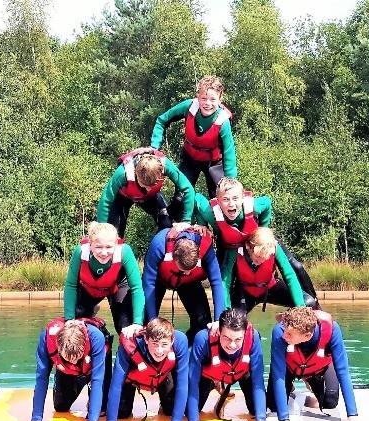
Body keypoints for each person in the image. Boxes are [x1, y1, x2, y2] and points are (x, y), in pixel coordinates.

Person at [195, 177, 318, 307]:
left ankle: (315, 307)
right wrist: (202, 224)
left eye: (235, 199)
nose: (231, 204)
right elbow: (197, 199)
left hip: (259, 239)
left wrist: (263, 229)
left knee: (297, 267)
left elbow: (267, 202)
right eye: (225, 199)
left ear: (242, 198)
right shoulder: (212, 214)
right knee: (224, 281)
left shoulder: (252, 208)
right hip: (231, 244)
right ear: (218, 201)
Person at [151, 75, 237, 219]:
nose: (207, 103)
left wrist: (231, 181)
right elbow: (162, 120)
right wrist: (154, 147)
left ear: (220, 99)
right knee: (180, 198)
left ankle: (221, 236)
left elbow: (229, 152)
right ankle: (172, 230)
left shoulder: (223, 121)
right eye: (203, 98)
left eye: (212, 99)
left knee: (222, 199)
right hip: (190, 158)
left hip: (214, 163)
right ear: (198, 96)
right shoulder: (189, 107)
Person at [268, 307, 362, 421]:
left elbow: (343, 371)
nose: (284, 335)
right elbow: (278, 374)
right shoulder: (280, 332)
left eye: (289, 334)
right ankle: (290, 390)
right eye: (285, 330)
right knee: (273, 406)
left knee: (330, 403)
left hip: (317, 368)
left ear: (307, 335)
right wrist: (284, 420)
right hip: (289, 368)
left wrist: (353, 415)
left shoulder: (332, 331)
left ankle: (309, 386)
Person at [185, 308, 270, 421]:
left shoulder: (253, 337)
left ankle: (221, 386)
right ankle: (215, 384)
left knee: (255, 410)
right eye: (227, 338)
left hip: (241, 373)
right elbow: (192, 382)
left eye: (237, 339)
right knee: (189, 411)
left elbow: (258, 381)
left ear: (244, 334)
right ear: (218, 331)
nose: (232, 345)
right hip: (210, 375)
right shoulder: (202, 338)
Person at [27, 316, 112, 421]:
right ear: (59, 347)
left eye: (76, 358)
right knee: (61, 406)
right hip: (66, 370)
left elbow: (97, 380)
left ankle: (95, 403)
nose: (73, 362)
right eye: (68, 359)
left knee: (103, 410)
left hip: (91, 366)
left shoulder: (96, 338)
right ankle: (75, 381)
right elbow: (41, 379)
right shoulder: (46, 338)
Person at [104, 318, 189, 421]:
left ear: (172, 340)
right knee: (121, 413)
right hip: (133, 380)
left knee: (171, 410)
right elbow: (116, 385)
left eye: (164, 344)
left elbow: (183, 384)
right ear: (146, 339)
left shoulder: (180, 341)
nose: (159, 351)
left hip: (164, 376)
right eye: (154, 344)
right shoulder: (130, 345)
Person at [142, 225, 226, 343]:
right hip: (158, 281)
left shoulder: (206, 248)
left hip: (190, 284)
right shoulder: (159, 244)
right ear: (173, 257)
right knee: (147, 325)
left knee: (203, 324)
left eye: (190, 269)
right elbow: (148, 283)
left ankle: (187, 350)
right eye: (183, 270)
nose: (186, 273)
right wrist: (151, 320)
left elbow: (217, 282)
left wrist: (218, 319)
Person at [63, 222, 144, 338]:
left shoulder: (124, 251)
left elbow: (137, 287)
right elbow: (71, 285)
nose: (104, 253)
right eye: (98, 247)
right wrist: (69, 319)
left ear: (116, 244)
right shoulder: (80, 252)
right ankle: (91, 309)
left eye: (109, 247)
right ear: (90, 244)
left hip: (116, 287)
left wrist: (137, 323)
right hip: (89, 289)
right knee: (76, 326)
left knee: (124, 326)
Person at [96, 147, 196, 238]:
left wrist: (186, 221)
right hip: (123, 197)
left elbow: (188, 189)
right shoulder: (123, 172)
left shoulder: (165, 165)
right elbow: (105, 200)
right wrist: (102, 229)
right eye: (144, 185)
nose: (148, 188)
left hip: (151, 197)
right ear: (136, 173)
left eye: (152, 184)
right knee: (113, 235)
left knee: (166, 224)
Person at [229, 227, 319, 311]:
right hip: (245, 292)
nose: (260, 261)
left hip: (271, 288)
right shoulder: (236, 250)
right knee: (233, 320)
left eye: (264, 258)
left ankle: (287, 321)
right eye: (258, 257)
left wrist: (300, 308)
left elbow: (290, 275)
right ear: (248, 246)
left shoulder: (275, 248)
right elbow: (225, 283)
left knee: (308, 303)